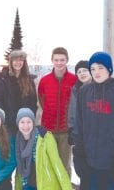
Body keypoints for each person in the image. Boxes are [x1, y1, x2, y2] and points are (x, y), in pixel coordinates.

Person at [74, 51, 114, 190]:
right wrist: (78, 155)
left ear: (109, 69)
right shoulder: (84, 92)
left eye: (101, 68)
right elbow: (79, 125)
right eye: (93, 68)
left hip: (111, 165)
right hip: (88, 163)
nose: (97, 72)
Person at [37, 47, 77, 175]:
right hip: (49, 130)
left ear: (67, 60)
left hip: (66, 130)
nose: (59, 63)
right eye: (56, 60)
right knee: (50, 164)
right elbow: (42, 101)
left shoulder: (74, 80)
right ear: (52, 61)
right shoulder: (44, 81)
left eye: (62, 60)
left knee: (64, 165)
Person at [14, 108, 72, 190]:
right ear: (18, 124)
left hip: (45, 185)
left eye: (29, 122)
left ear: (33, 123)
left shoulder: (45, 138)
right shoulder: (17, 142)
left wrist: (67, 188)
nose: (25, 126)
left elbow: (57, 164)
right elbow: (19, 171)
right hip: (26, 185)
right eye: (22, 122)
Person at [0, 49, 37, 137]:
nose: (18, 62)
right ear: (11, 62)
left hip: (24, 124)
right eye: (15, 60)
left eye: (21, 60)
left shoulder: (28, 79)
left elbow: (33, 101)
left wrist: (28, 118)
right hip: (7, 123)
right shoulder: (2, 78)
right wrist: (4, 118)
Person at [67, 60, 92, 189]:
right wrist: (71, 129)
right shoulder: (76, 89)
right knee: (82, 167)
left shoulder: (96, 87)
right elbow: (72, 111)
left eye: (85, 70)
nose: (82, 74)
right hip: (80, 136)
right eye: (79, 72)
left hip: (94, 136)